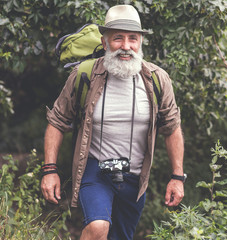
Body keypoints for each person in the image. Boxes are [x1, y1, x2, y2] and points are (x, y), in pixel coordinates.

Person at [41, 5, 185, 240]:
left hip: (135, 178)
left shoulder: (157, 79)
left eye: (132, 39)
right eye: (118, 38)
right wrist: (49, 170)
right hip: (96, 171)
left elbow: (172, 127)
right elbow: (57, 121)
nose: (126, 46)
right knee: (98, 227)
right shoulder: (84, 75)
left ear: (140, 42)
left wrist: (177, 176)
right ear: (105, 42)